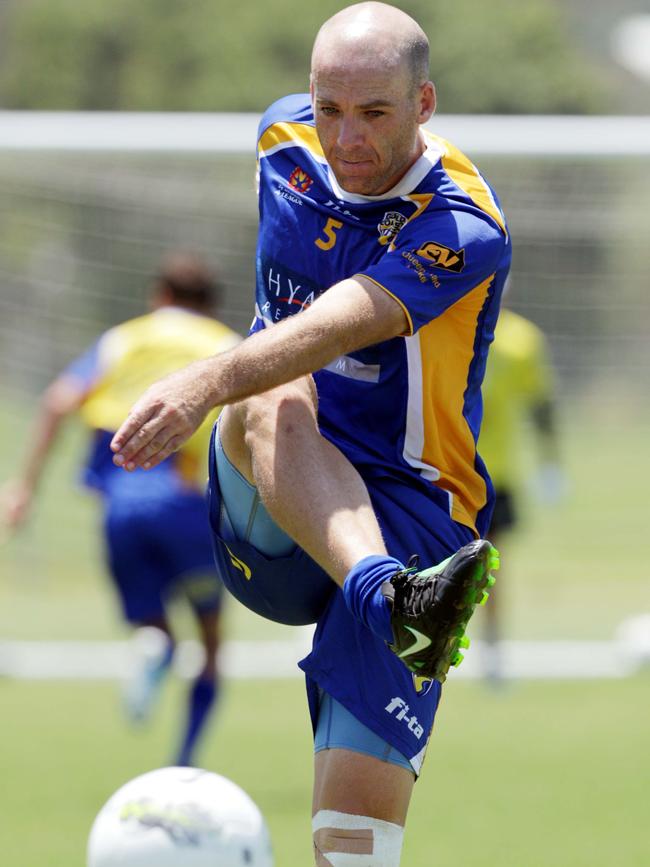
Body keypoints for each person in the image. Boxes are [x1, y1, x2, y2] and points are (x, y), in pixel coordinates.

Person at [110, 4, 510, 863]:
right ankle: (389, 602)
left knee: (353, 846)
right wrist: (230, 378)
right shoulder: (279, 140)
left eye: (375, 113)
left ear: (424, 104)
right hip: (279, 491)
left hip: (415, 517)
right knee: (271, 380)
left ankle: (399, 601)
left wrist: (198, 380)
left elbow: (337, 321)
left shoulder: (465, 226)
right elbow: (284, 352)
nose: (345, 137)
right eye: (330, 108)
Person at [1, 252, 241, 767]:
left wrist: (23, 487)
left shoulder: (123, 339)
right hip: (183, 508)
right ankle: (184, 762)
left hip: (120, 511)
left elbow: (57, 400)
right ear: (211, 304)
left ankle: (153, 647)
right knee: (212, 644)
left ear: (159, 297)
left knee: (153, 627)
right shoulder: (224, 346)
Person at [478, 303, 564, 682]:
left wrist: (550, 463)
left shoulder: (521, 341)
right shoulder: (441, 325)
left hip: (495, 474)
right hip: (439, 472)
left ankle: (492, 654)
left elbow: (540, 404)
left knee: (488, 570)